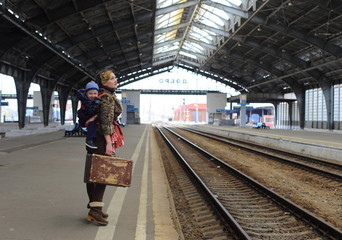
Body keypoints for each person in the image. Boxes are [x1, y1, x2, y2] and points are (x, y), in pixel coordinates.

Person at [86, 69, 123, 226]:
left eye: (115, 78)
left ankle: (95, 208)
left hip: (94, 139)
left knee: (93, 173)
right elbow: (105, 122)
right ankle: (95, 210)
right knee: (101, 174)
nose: (116, 80)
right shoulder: (106, 98)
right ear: (103, 82)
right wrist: (109, 143)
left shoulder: (102, 96)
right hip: (101, 140)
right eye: (112, 78)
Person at [76, 81, 100, 149]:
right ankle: (90, 140)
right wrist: (96, 103)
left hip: (86, 116)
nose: (93, 95)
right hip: (85, 118)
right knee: (92, 123)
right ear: (86, 94)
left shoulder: (90, 100)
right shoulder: (85, 100)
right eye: (90, 93)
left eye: (95, 93)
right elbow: (91, 111)